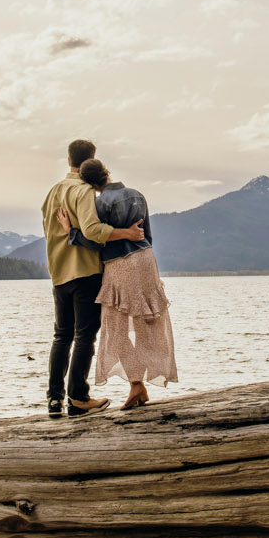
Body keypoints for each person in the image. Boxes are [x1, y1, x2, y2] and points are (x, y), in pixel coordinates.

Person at [57, 158, 178, 409]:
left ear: (89, 183)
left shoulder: (100, 203)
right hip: (146, 259)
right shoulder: (138, 195)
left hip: (120, 264)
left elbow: (96, 238)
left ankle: (136, 384)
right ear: (107, 172)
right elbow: (148, 234)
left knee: (115, 328)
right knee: (147, 323)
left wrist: (71, 231)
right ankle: (140, 385)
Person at [40, 138, 144, 417]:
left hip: (58, 273)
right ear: (91, 160)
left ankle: (54, 399)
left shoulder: (52, 192)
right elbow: (93, 230)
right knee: (85, 335)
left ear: (68, 159)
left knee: (61, 336)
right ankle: (78, 397)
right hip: (84, 271)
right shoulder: (83, 190)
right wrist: (125, 234)